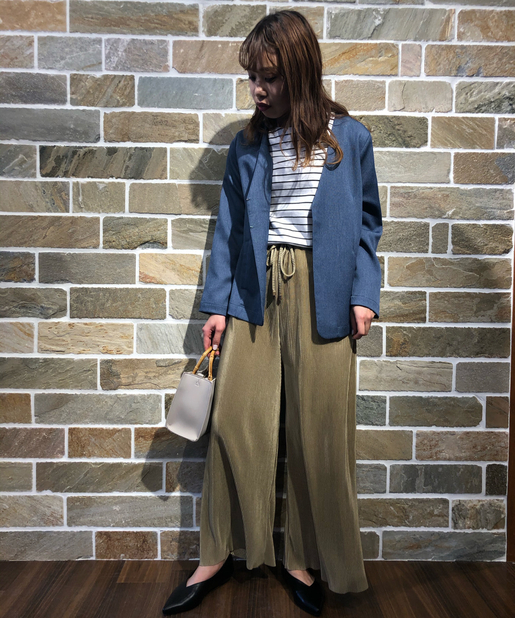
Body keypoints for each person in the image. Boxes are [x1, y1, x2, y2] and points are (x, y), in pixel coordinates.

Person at [162, 9, 382, 617]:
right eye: (252, 77)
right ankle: (217, 554)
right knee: (234, 422)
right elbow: (230, 229)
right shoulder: (248, 145)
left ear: (301, 72)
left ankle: (301, 559)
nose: (258, 90)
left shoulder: (350, 139)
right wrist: (217, 305)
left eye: (270, 77)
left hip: (325, 288)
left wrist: (364, 294)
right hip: (254, 288)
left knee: (318, 431)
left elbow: (369, 223)